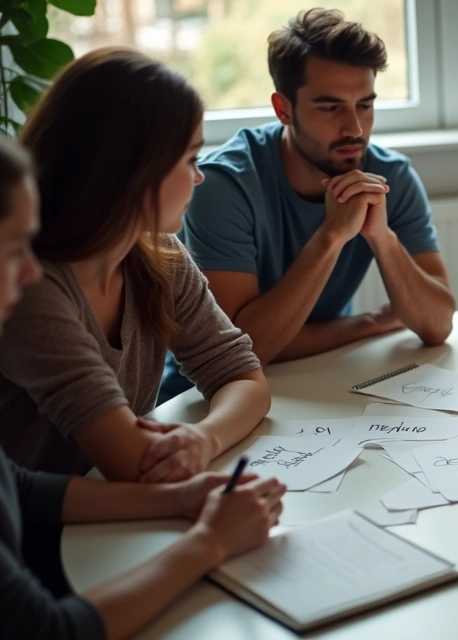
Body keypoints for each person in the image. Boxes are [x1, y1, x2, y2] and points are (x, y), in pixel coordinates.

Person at [0, 134, 285, 640]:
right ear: (131, 171)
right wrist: (208, 543)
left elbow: (17, 489)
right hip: (55, 558)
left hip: (90, 534)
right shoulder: (41, 294)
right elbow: (47, 631)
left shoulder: (158, 256)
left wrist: (191, 475)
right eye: (14, 249)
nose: (28, 271)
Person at [0, 48, 269, 481]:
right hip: (38, 536)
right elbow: (131, 462)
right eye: (190, 159)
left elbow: (242, 374)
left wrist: (206, 438)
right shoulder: (28, 287)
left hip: (114, 516)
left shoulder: (159, 256)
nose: (199, 177)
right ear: (131, 170)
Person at [162, 8, 456, 402]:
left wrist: (382, 238)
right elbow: (243, 353)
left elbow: (437, 325)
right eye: (330, 107)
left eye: (365, 105)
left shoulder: (391, 177)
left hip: (317, 382)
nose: (354, 128)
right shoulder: (222, 185)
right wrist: (333, 239)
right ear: (283, 109)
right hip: (201, 403)